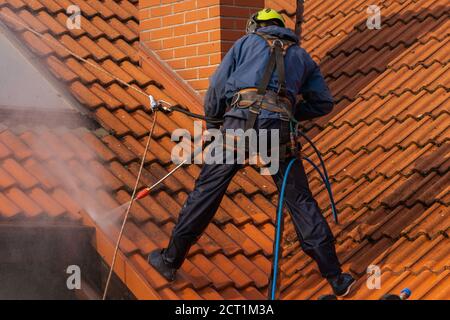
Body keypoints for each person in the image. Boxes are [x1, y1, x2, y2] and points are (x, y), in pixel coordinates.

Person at [148, 8, 355, 297]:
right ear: (282, 28)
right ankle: (336, 277)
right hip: (279, 131)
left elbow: (217, 89)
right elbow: (324, 103)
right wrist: (290, 111)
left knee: (206, 193)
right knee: (299, 201)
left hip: (238, 124)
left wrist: (214, 125)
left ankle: (170, 261)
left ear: (257, 26)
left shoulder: (245, 43)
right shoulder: (302, 56)